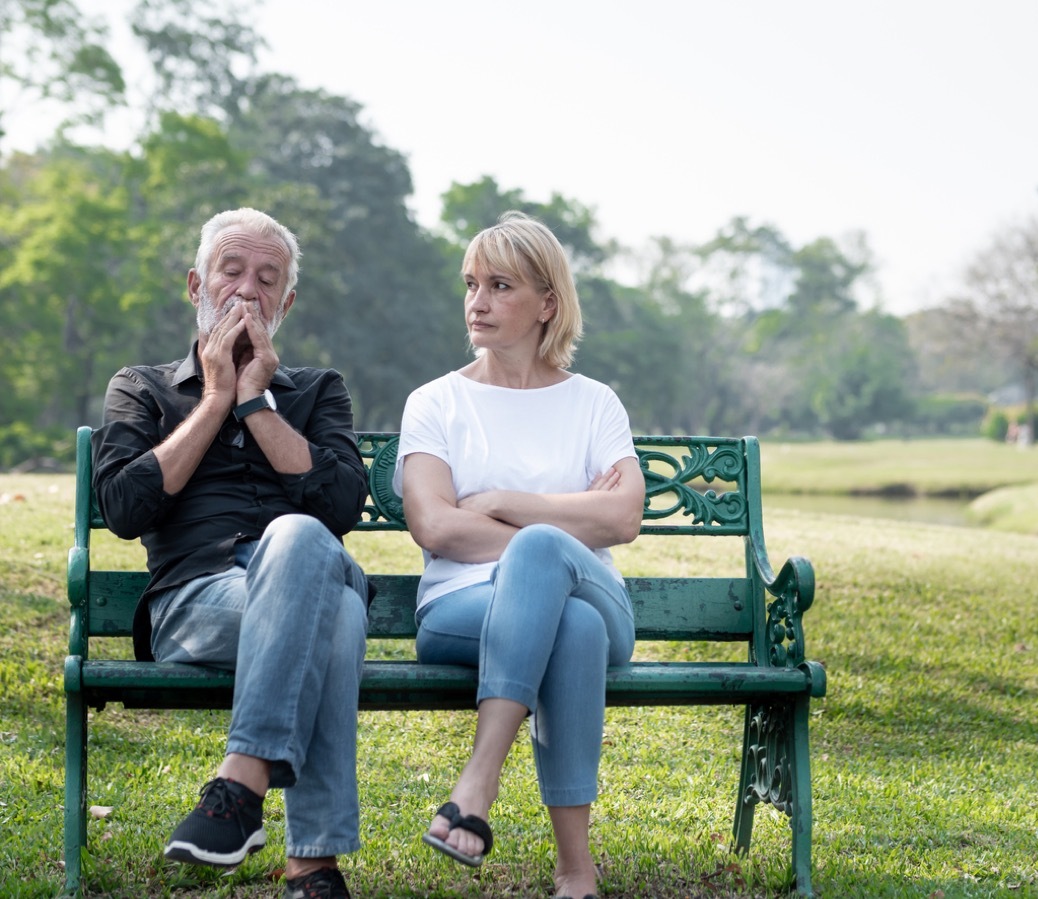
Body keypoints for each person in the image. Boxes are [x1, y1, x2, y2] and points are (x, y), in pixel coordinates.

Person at [92, 208, 369, 899]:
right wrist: (216, 397)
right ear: (197, 285)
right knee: (336, 619)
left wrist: (257, 404)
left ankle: (238, 790)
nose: (248, 291)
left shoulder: (316, 390)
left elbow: (339, 507)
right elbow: (125, 508)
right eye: (232, 271)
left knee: (305, 536)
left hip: (303, 576)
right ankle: (314, 867)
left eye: (267, 279)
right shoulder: (141, 386)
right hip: (197, 602)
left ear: (287, 304)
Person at [396, 211, 644, 899]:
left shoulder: (595, 404)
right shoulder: (436, 403)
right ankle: (576, 873)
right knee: (572, 624)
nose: (478, 300)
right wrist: (567, 532)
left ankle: (479, 781)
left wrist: (506, 499)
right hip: (459, 609)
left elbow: (623, 515)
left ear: (547, 304)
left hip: (601, 596)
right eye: (471, 283)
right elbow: (437, 527)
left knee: (554, 570)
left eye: (500, 285)